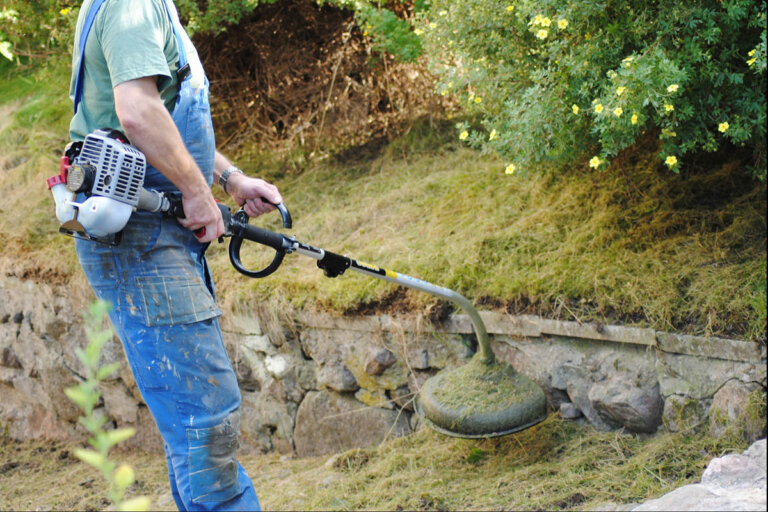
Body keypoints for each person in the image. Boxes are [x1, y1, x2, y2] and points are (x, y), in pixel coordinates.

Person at [69, 0, 278, 509]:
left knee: (193, 421)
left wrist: (227, 178)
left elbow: (165, 112)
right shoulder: (130, 6)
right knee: (206, 418)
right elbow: (136, 113)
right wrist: (196, 192)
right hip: (140, 240)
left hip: (161, 231)